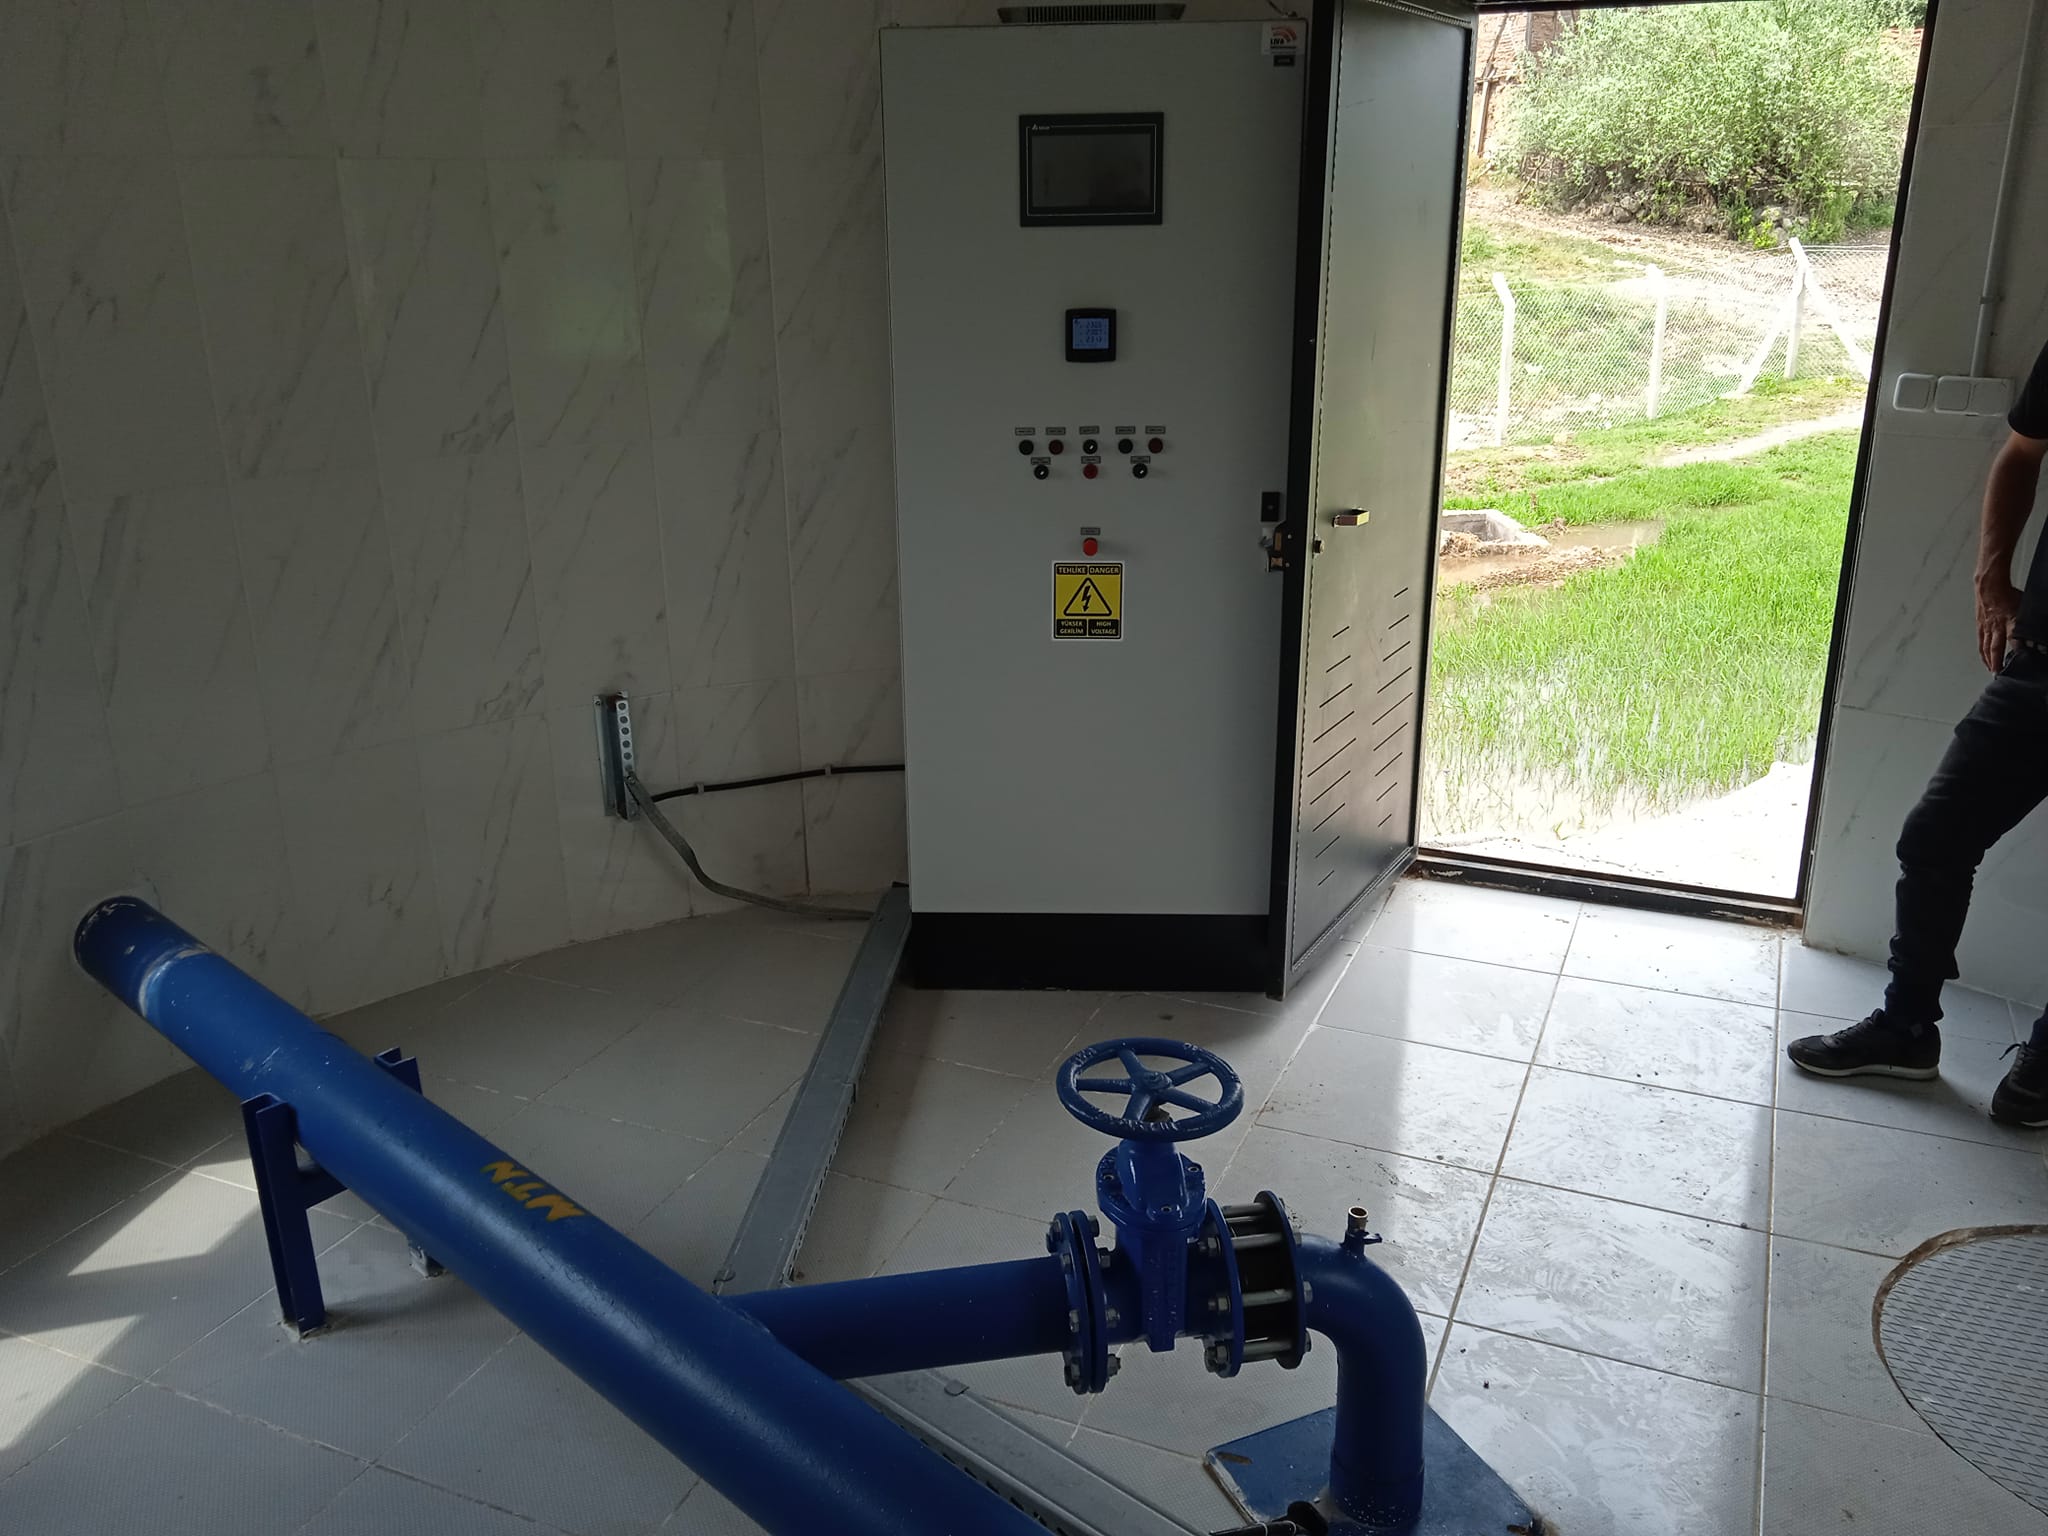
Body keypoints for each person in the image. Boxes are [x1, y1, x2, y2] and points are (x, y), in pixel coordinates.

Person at [1785, 341, 2048, 1128]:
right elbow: (2021, 453)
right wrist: (1991, 581)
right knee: (1935, 836)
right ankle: (1906, 1029)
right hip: (2041, 662)